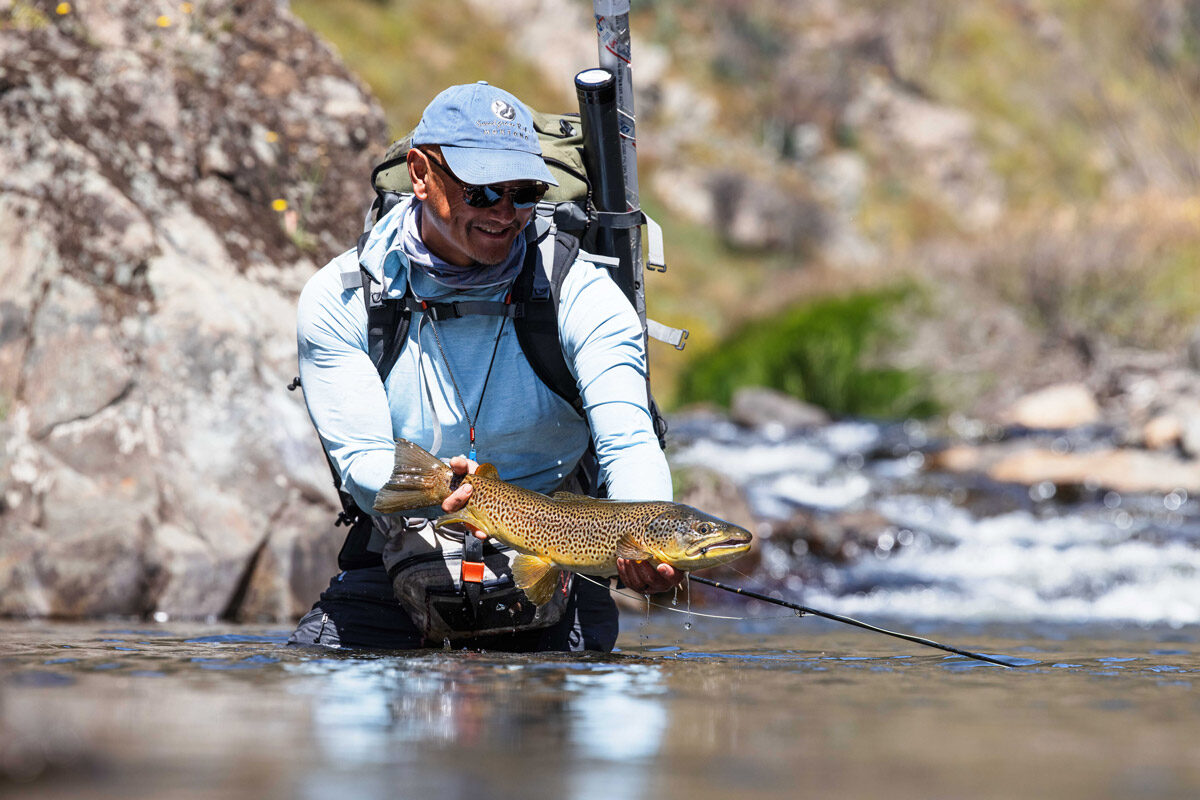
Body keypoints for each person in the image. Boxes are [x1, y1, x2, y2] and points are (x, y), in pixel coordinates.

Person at [289, 81, 682, 651]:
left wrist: (647, 541)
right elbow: (363, 464)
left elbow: (629, 443)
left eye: (524, 192)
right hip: (402, 550)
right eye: (481, 192)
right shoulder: (343, 297)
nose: (505, 212)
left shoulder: (585, 294)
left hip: (557, 563)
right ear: (421, 173)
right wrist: (444, 492)